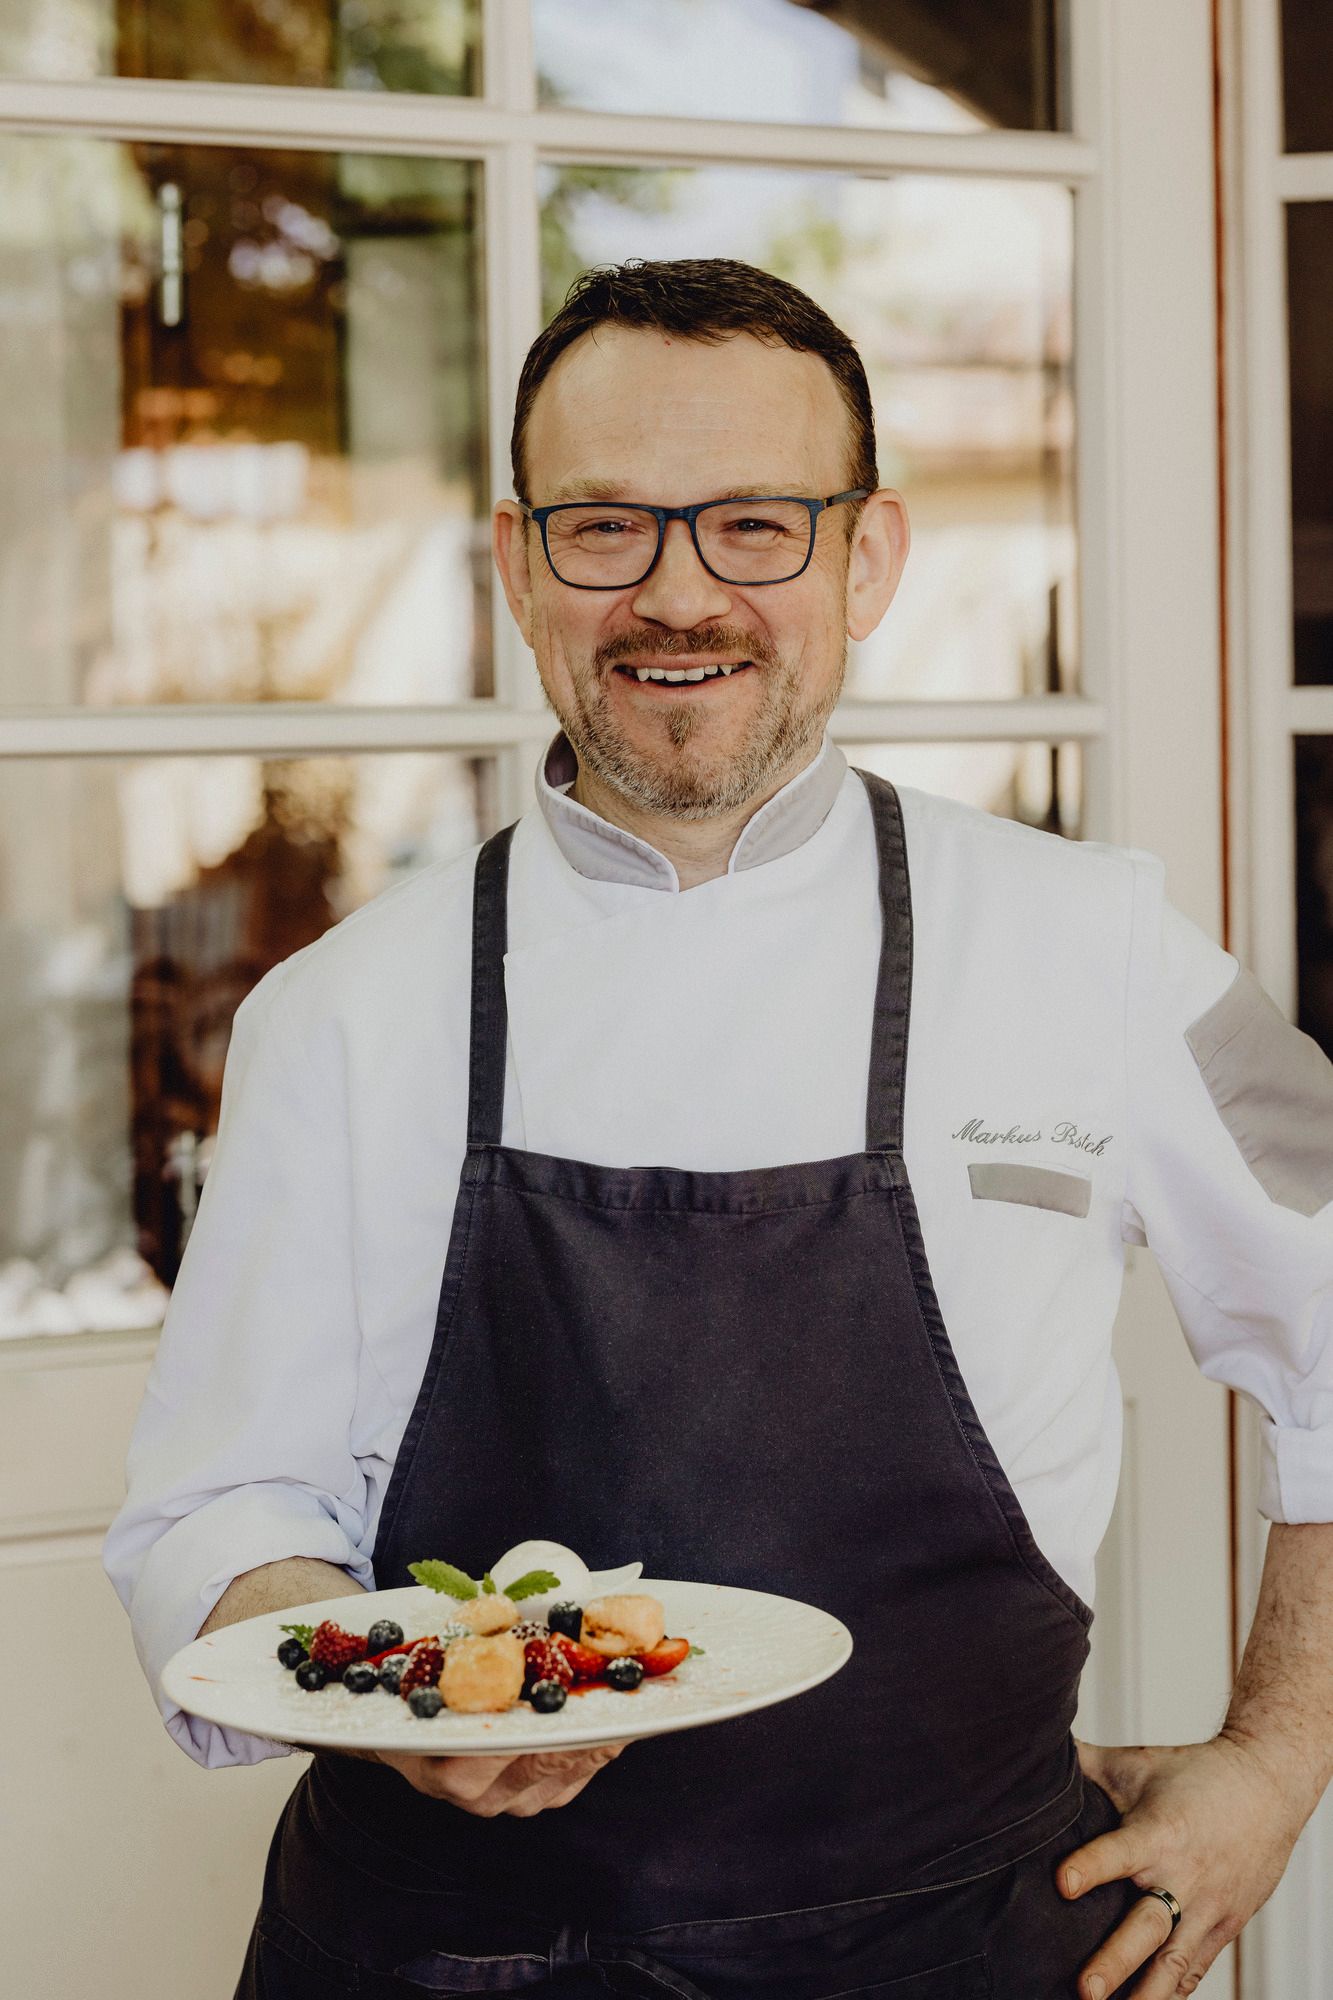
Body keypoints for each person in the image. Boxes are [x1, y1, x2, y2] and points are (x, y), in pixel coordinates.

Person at [105, 258, 1333, 2000]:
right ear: (521, 567)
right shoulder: (338, 1015)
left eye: (755, 524)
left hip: (953, 1949)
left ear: (867, 557)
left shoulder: (1097, 950)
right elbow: (217, 1511)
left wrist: (1274, 1769)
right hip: (438, 1951)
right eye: (605, 527)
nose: (678, 594)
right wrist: (377, 1686)